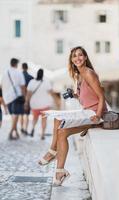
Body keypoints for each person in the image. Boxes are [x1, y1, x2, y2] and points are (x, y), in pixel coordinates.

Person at [38, 46, 107, 186]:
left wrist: (98, 116)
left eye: (80, 55)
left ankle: (57, 166)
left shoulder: (88, 73)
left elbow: (101, 97)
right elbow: (87, 97)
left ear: (85, 57)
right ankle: (54, 158)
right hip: (87, 111)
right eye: (74, 56)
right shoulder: (79, 75)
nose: (77, 58)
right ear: (71, 59)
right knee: (57, 118)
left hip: (94, 114)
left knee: (62, 132)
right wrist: (75, 94)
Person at [24, 68, 54, 140]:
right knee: (44, 120)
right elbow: (51, 92)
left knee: (35, 118)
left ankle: (33, 128)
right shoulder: (46, 82)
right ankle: (42, 134)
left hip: (34, 104)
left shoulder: (31, 82)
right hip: (45, 104)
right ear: (43, 75)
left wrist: (26, 102)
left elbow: (28, 94)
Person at [1, 58, 26, 139]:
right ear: (16, 64)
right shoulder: (18, 73)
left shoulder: (5, 73)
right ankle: (11, 132)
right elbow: (22, 86)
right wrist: (24, 97)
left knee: (13, 115)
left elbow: (1, 86)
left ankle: (16, 132)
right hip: (16, 96)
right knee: (16, 115)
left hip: (7, 97)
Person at [20, 63, 33, 135]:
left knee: (21, 114)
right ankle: (25, 129)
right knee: (27, 115)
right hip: (28, 98)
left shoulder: (19, 76)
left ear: (22, 67)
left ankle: (21, 128)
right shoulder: (31, 77)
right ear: (27, 68)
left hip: (20, 97)